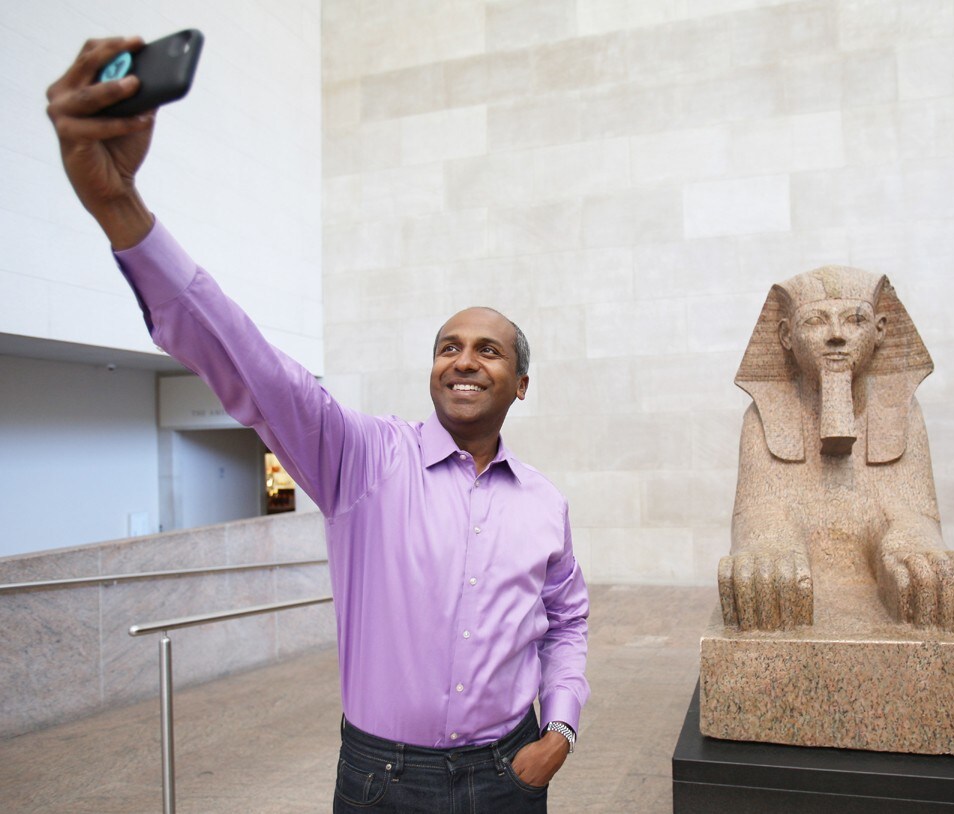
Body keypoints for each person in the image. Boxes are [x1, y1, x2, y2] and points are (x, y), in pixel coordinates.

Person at [46, 37, 588, 813]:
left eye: (488, 350)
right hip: (383, 782)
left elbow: (566, 621)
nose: (463, 360)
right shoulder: (362, 460)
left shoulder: (543, 503)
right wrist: (120, 208)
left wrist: (560, 728)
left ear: (521, 384)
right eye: (448, 346)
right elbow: (252, 364)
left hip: (511, 773)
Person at [718, 266, 954, 632]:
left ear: (880, 330)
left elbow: (908, 515)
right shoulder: (761, 418)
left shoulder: (903, 414)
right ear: (786, 335)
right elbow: (761, 515)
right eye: (816, 321)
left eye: (854, 320)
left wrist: (911, 546)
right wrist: (769, 545)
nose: (836, 335)